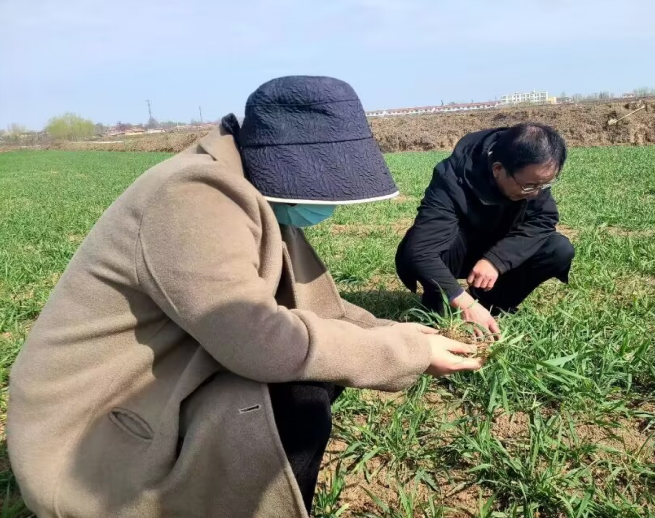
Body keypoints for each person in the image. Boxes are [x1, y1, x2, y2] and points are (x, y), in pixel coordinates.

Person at [7, 76, 482, 518]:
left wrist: (399, 333)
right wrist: (405, 352)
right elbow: (260, 341)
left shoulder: (253, 189)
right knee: (298, 400)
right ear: (286, 167)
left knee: (315, 373)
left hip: (165, 378)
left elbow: (320, 308)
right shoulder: (193, 195)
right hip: (91, 436)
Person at [395, 124, 574, 336]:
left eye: (542, 185)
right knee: (431, 251)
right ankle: (442, 301)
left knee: (558, 249)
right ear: (498, 169)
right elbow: (421, 250)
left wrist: (496, 260)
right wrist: (462, 301)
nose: (535, 193)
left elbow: (543, 219)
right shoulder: (451, 177)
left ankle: (491, 304)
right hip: (457, 249)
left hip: (496, 246)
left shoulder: (531, 179)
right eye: (529, 186)